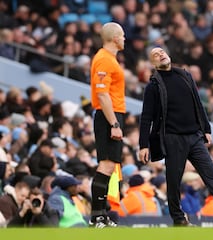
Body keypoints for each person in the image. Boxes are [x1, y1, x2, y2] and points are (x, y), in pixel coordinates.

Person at [139, 47, 213, 226]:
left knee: (211, 172)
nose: (160, 55)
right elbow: (146, 117)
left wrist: (206, 128)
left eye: (161, 52)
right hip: (172, 138)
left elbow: (198, 103)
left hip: (194, 135)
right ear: (152, 63)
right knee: (174, 180)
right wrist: (143, 145)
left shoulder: (185, 75)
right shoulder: (153, 86)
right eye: (155, 55)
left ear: (168, 55)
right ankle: (178, 217)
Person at [89, 22, 126, 228]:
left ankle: (102, 215)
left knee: (110, 165)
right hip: (108, 116)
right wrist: (114, 123)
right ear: (114, 38)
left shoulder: (109, 59)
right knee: (106, 164)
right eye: (122, 36)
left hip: (112, 114)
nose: (124, 39)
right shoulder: (104, 59)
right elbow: (102, 94)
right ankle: (96, 217)